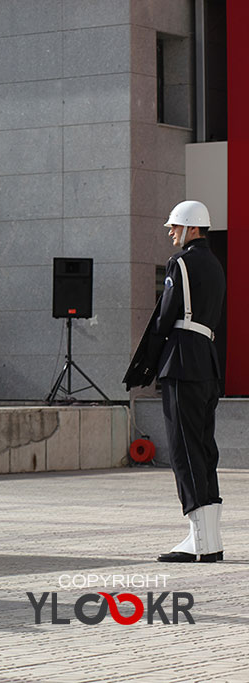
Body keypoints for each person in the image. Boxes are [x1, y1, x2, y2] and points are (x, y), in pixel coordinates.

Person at [124, 200, 226, 563]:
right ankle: (209, 540)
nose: (170, 232)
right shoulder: (215, 266)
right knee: (203, 448)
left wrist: (145, 367)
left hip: (181, 362)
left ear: (192, 228)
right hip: (207, 362)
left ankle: (200, 542)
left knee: (184, 451)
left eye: (175, 226)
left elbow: (164, 318)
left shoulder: (180, 263)